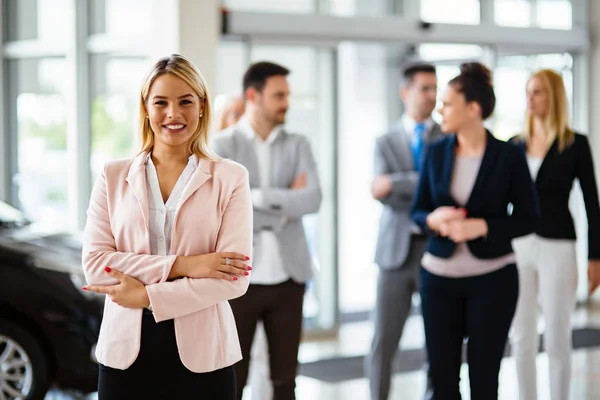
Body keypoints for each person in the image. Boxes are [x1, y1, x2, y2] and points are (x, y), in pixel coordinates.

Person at [81, 54, 253, 400]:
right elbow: (97, 265)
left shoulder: (230, 177)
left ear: (202, 107)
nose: (173, 114)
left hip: (205, 356)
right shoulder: (112, 175)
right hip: (124, 356)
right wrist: (188, 265)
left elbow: (234, 278)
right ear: (146, 108)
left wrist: (147, 296)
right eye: (161, 102)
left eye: (185, 101)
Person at [411, 62, 539, 399]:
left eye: (448, 103)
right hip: (437, 280)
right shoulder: (435, 151)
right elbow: (417, 210)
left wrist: (480, 226)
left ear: (474, 109)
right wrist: (433, 219)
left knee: (484, 381)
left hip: (493, 279)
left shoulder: (509, 156)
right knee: (442, 380)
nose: (440, 109)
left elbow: (529, 217)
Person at [212, 61, 322, 400]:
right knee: (234, 378)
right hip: (240, 278)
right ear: (253, 96)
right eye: (279, 95)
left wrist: (255, 196)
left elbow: (312, 199)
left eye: (287, 94)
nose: (286, 102)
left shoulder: (298, 143)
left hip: (290, 278)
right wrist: (284, 207)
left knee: (285, 380)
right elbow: (223, 211)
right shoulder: (222, 146)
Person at [510, 69, 600, 400]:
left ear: (554, 97)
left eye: (538, 92)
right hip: (519, 246)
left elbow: (593, 205)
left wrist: (595, 257)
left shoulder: (575, 145)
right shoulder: (514, 146)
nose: (530, 99)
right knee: (521, 335)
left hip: (558, 246)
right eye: (528, 92)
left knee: (558, 337)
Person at [365, 61, 442, 400]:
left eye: (434, 89)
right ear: (405, 91)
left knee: (439, 338)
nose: (431, 96)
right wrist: (424, 184)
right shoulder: (384, 140)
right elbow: (379, 194)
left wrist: (396, 183)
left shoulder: (448, 137)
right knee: (384, 339)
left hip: (438, 250)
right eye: (424, 88)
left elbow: (443, 189)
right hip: (395, 252)